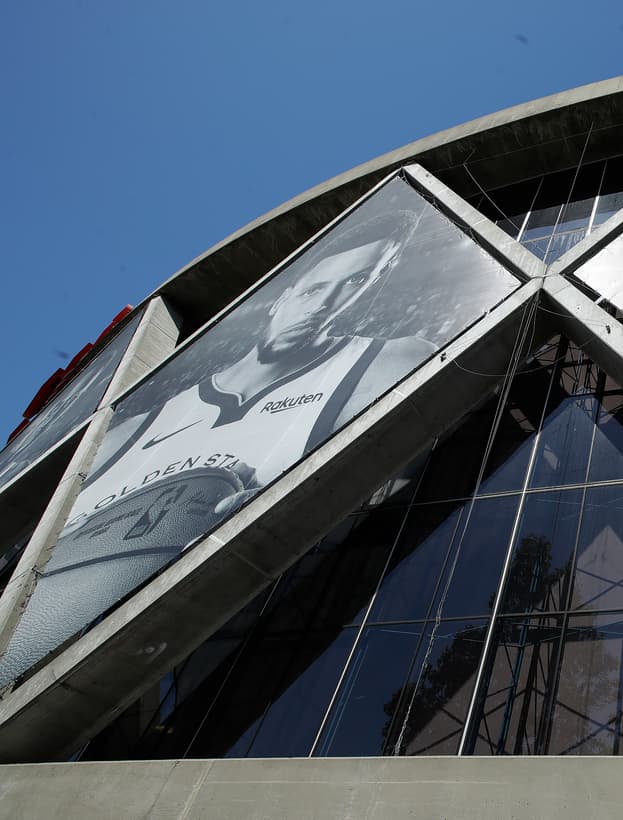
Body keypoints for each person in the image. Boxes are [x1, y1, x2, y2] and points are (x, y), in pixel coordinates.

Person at [0, 205, 436, 687]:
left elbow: (408, 488)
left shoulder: (385, 362)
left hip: (241, 649)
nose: (323, 306)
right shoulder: (133, 428)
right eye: (313, 289)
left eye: (354, 286)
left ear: (374, 288)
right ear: (282, 295)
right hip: (58, 644)